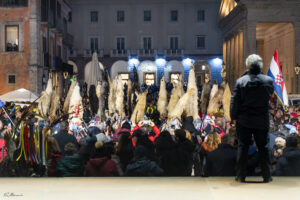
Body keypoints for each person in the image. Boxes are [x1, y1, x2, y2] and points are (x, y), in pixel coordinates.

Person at [230, 54, 274, 183]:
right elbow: (268, 96)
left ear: (247, 65)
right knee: (263, 147)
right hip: (262, 119)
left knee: (242, 147)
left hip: (244, 119)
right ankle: (267, 175)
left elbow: (234, 102)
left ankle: (240, 175)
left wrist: (234, 117)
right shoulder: (268, 81)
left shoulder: (240, 81)